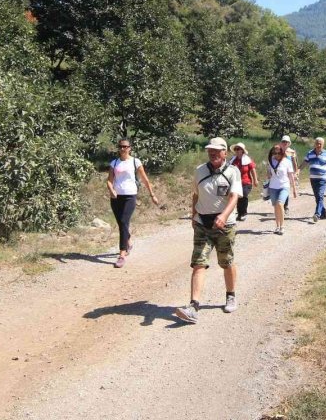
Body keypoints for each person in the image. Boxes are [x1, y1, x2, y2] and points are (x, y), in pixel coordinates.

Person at [174, 137, 242, 325]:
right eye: (209, 150)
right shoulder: (200, 171)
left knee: (226, 262)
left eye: (216, 150)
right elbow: (195, 194)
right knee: (199, 263)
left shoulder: (232, 172)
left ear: (224, 153)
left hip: (225, 225)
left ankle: (230, 295)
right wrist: (193, 216)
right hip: (203, 225)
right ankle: (193, 307)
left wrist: (223, 216)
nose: (212, 153)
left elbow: (235, 196)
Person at [107, 138, 159, 269]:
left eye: (125, 146)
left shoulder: (135, 161)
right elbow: (109, 180)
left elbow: (145, 179)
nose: (123, 149)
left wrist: (152, 194)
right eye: (120, 146)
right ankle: (128, 242)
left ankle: (122, 255)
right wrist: (111, 189)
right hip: (116, 197)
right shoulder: (114, 163)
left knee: (124, 222)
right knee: (121, 224)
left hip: (130, 195)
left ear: (130, 148)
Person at [266, 144, 297, 234]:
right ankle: (277, 226)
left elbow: (291, 176)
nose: (276, 155)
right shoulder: (270, 161)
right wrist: (268, 174)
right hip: (273, 187)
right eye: (274, 153)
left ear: (282, 153)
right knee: (276, 207)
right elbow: (268, 173)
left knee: (280, 204)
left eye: (278, 153)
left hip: (284, 186)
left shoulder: (287, 162)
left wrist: (294, 189)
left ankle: (282, 226)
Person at [304, 137, 326, 223]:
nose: (319, 145)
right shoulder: (310, 153)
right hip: (313, 179)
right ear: (315, 144)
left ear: (323, 144)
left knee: (320, 195)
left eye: (320, 143)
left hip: (322, 178)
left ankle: (317, 214)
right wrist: (298, 170)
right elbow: (304, 163)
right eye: (317, 143)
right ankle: (323, 213)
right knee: (317, 197)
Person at [229, 143, 258, 222]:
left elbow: (253, 170)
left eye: (238, 149)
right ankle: (239, 213)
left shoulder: (248, 160)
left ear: (242, 150)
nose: (237, 150)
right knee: (237, 198)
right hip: (236, 182)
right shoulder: (233, 160)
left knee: (244, 196)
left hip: (246, 182)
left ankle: (244, 213)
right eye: (236, 149)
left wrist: (255, 180)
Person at [279, 135, 298, 215]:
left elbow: (294, 162)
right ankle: (280, 204)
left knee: (286, 189)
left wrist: (296, 172)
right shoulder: (278, 151)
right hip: (280, 173)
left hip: (288, 173)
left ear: (289, 143)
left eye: (286, 142)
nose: (284, 143)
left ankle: (285, 206)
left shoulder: (292, 152)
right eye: (283, 141)